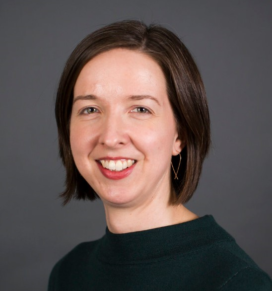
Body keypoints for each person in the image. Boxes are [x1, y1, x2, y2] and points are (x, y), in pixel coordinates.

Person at [48, 20, 272, 290]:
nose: (110, 137)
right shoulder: (69, 273)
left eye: (140, 109)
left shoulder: (235, 281)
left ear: (181, 135)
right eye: (90, 109)